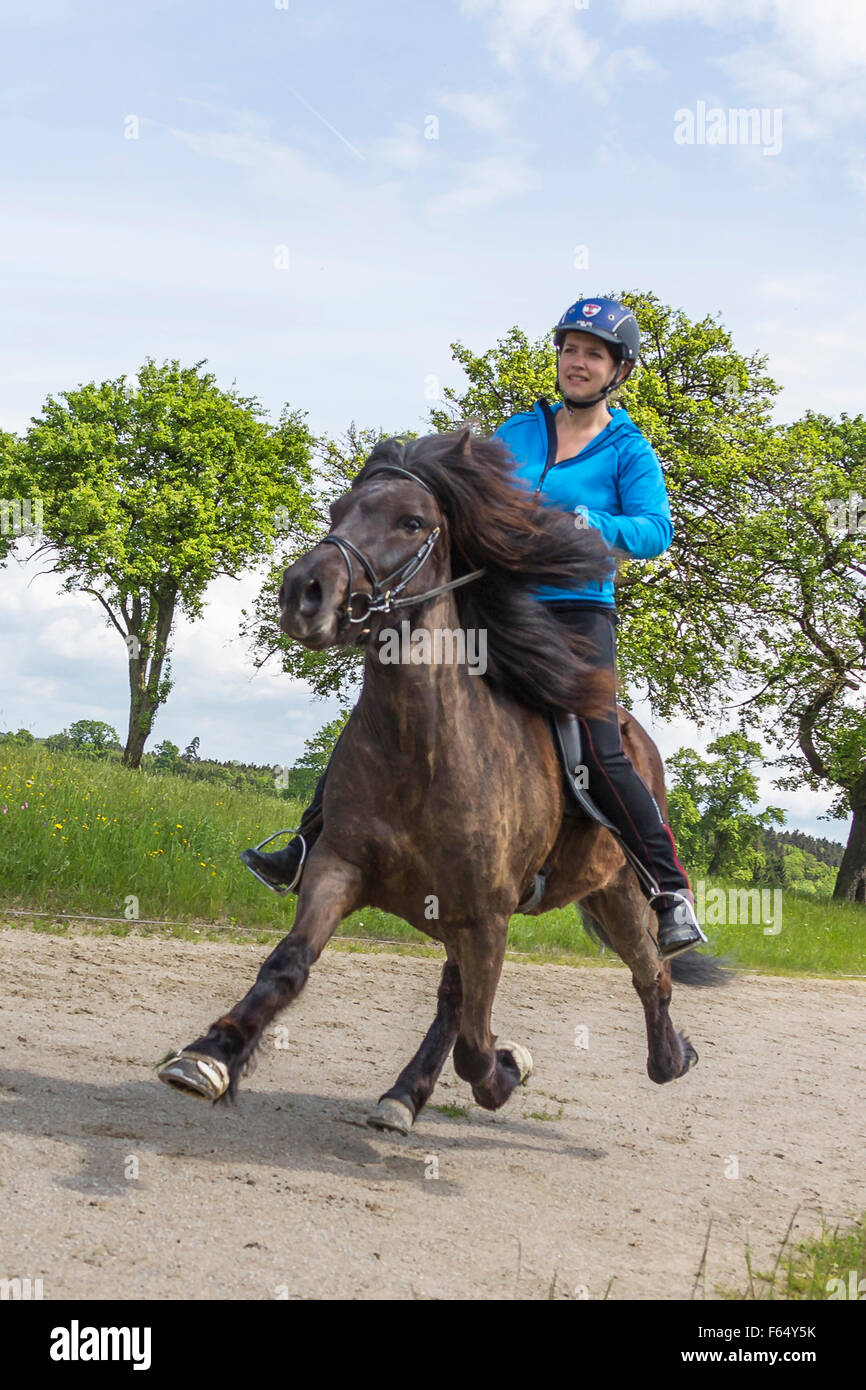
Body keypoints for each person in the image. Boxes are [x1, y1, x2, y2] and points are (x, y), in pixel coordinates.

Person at [240, 296, 705, 958]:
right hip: (495, 601)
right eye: (570, 349)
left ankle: (667, 889)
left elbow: (655, 532)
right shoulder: (517, 431)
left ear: (618, 370)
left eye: (593, 354)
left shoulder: (629, 451)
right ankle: (309, 842)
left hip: (575, 612)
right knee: (394, 700)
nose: (577, 362)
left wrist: (588, 523)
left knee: (599, 747)